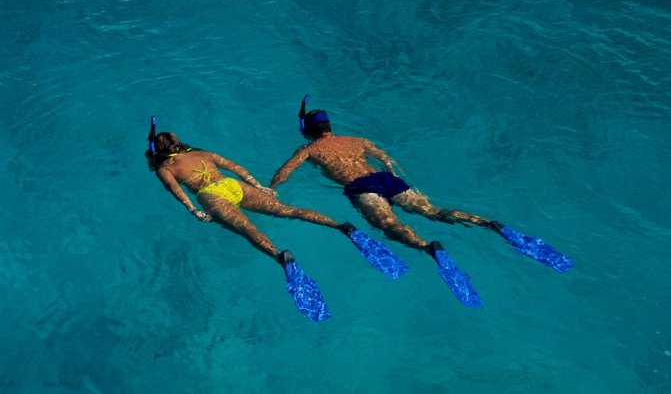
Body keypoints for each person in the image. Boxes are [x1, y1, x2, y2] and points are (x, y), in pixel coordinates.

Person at [269, 97, 574, 306]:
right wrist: (395, 177)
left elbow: (285, 172)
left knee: (390, 227)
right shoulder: (356, 140)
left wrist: (270, 189)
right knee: (435, 211)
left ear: (308, 132)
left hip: (361, 188)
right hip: (388, 180)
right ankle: (490, 224)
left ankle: (429, 248)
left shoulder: (308, 150)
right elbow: (387, 159)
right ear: (329, 125)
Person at [144, 117, 390, 321]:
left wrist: (194, 211)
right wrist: (259, 186)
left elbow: (176, 191)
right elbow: (236, 168)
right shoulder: (202, 153)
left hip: (210, 196)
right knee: (287, 210)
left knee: (249, 231)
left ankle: (280, 257)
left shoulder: (165, 169)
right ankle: (339, 226)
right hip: (233, 184)